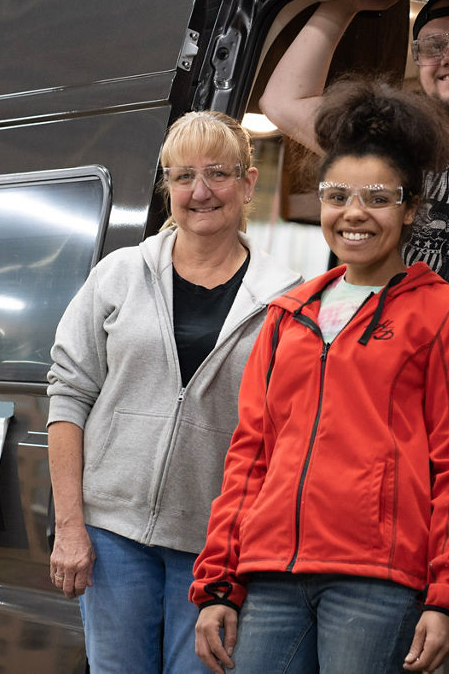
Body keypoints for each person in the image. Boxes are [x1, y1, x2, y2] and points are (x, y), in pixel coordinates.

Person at [258, 0, 449, 670]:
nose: (447, 58)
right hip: (371, 446)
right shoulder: (393, 149)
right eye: (430, 46)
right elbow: (282, 103)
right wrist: (342, 4)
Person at [191, 77, 449, 674]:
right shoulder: (288, 315)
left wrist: (448, 597)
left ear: (411, 208)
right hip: (273, 575)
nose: (354, 214)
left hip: (378, 583)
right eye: (337, 195)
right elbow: (250, 455)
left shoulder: (448, 316)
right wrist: (218, 580)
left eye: (378, 198)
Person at [46, 111, 301, 674]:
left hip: (216, 545)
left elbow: (289, 436)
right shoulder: (118, 275)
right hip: (112, 534)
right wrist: (70, 527)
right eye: (182, 176)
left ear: (249, 182)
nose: (200, 191)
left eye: (218, 173)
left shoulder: (287, 298)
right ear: (167, 187)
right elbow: (68, 397)